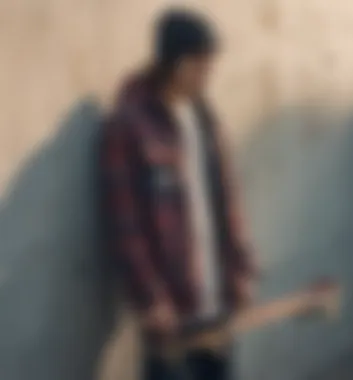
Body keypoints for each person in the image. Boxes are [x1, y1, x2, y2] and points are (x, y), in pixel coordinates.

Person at [101, 8, 257, 380]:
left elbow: (227, 201)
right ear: (176, 63)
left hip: (217, 306)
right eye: (202, 64)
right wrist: (151, 298)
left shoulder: (205, 117)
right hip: (172, 315)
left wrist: (241, 268)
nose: (209, 74)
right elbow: (127, 227)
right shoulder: (129, 126)